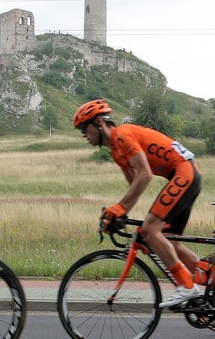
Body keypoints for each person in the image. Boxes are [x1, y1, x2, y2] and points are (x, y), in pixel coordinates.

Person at [74, 99, 203, 308]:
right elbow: (134, 185)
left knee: (150, 230)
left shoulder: (123, 136)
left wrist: (120, 208)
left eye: (84, 129)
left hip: (183, 172)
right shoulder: (116, 151)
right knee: (171, 242)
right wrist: (120, 214)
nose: (84, 136)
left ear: (98, 122)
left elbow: (145, 175)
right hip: (184, 174)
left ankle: (187, 286)